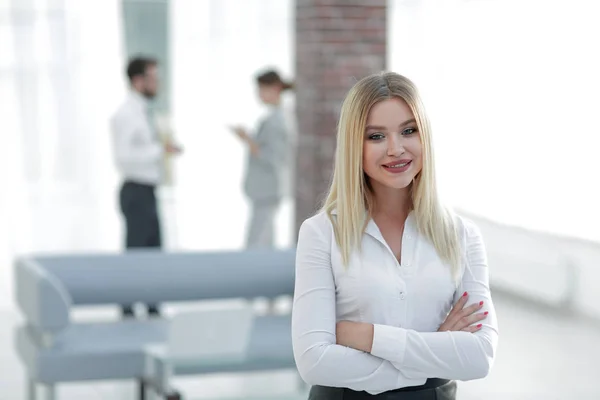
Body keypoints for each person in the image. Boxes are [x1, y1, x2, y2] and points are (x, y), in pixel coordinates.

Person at [292, 72, 499, 399]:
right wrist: (438, 344)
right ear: (353, 146)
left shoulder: (462, 235)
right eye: (376, 136)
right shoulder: (321, 233)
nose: (396, 149)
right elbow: (314, 361)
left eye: (408, 131)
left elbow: (479, 357)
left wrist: (368, 336)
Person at [111, 56, 182, 318]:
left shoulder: (143, 111)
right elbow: (123, 157)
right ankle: (128, 309)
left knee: (152, 253)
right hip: (135, 192)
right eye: (153, 78)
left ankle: (152, 306)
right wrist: (159, 149)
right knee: (137, 255)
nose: (158, 83)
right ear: (138, 80)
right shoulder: (126, 114)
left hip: (147, 191)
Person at [230, 69, 294, 249]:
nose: (258, 95)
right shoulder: (275, 117)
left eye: (260, 90)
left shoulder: (278, 120)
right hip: (267, 188)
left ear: (274, 89)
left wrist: (248, 140)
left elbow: (273, 157)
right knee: (264, 238)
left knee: (257, 240)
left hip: (268, 187)